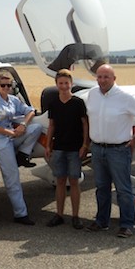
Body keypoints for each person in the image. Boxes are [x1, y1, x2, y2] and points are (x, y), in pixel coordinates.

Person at [85, 64, 135, 238]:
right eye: (99, 77)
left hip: (119, 150)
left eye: (106, 77)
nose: (102, 80)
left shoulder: (125, 97)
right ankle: (101, 222)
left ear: (114, 79)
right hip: (98, 149)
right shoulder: (92, 94)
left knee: (123, 189)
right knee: (101, 187)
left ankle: (127, 225)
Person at [0, 72, 43, 225]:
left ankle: (22, 155)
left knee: (36, 127)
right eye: (3, 85)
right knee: (12, 177)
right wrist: (11, 132)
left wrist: (23, 125)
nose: (6, 88)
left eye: (9, 85)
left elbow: (30, 110)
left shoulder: (13, 100)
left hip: (12, 135)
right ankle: (20, 214)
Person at [45, 69, 88, 229]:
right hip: (59, 148)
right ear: (56, 84)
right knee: (60, 181)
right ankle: (59, 214)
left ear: (71, 84)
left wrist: (85, 144)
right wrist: (48, 145)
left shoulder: (78, 103)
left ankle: (76, 216)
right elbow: (51, 125)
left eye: (66, 83)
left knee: (74, 181)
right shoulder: (54, 104)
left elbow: (85, 124)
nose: (64, 86)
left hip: (75, 148)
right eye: (60, 83)